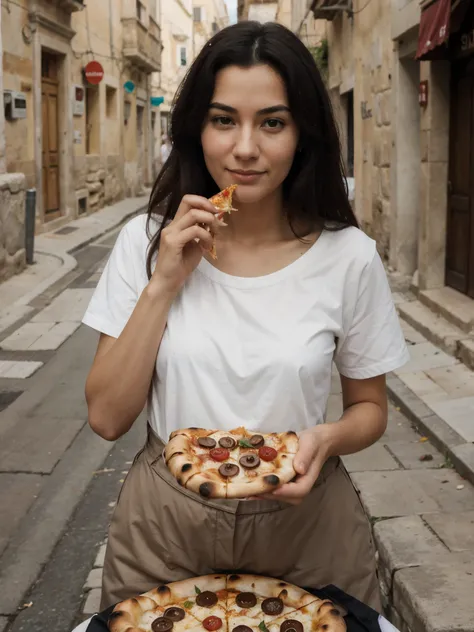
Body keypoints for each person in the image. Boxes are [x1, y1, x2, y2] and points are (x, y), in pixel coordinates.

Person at [82, 21, 409, 614]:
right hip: (164, 525)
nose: (246, 149)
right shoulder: (145, 242)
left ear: (303, 134)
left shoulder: (349, 256)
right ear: (197, 129)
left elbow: (370, 409)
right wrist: (165, 281)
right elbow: (106, 416)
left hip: (307, 526)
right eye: (224, 119)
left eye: (273, 123)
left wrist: (327, 440)